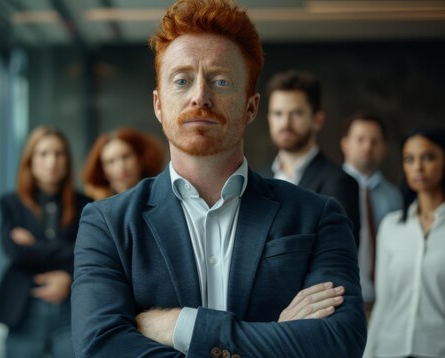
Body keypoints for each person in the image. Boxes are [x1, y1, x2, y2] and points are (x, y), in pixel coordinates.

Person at [71, 1, 366, 357]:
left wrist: (182, 325)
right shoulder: (108, 224)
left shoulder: (318, 217)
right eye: (181, 80)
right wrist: (274, 337)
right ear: (159, 104)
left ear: (251, 107)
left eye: (221, 80)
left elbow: (339, 342)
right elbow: (99, 346)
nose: (200, 96)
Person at [0, 127, 90, 358]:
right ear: (30, 161)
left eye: (59, 154)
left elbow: (88, 255)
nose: (52, 161)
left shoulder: (86, 204)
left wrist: (67, 276)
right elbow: (15, 252)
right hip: (24, 309)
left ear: (67, 160)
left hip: (71, 308)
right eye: (43, 154)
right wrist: (67, 249)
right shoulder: (12, 203)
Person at [364, 128, 445, 358]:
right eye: (410, 159)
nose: (418, 167)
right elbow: (384, 301)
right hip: (390, 349)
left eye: (428, 157)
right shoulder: (391, 227)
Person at [262, 69, 361, 246]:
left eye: (296, 113)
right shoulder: (257, 179)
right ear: (269, 118)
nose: (285, 123)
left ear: (318, 120)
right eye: (278, 113)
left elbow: (339, 258)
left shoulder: (340, 182)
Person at [340, 112, 403, 312]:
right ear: (345, 144)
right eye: (360, 140)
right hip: (340, 299)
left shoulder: (396, 197)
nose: (368, 147)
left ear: (384, 148)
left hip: (386, 301)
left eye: (375, 141)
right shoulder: (330, 187)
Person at [82, 127, 165, 200]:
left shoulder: (162, 194)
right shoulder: (97, 207)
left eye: (126, 156)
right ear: (102, 170)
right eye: (111, 161)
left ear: (140, 158)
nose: (121, 166)